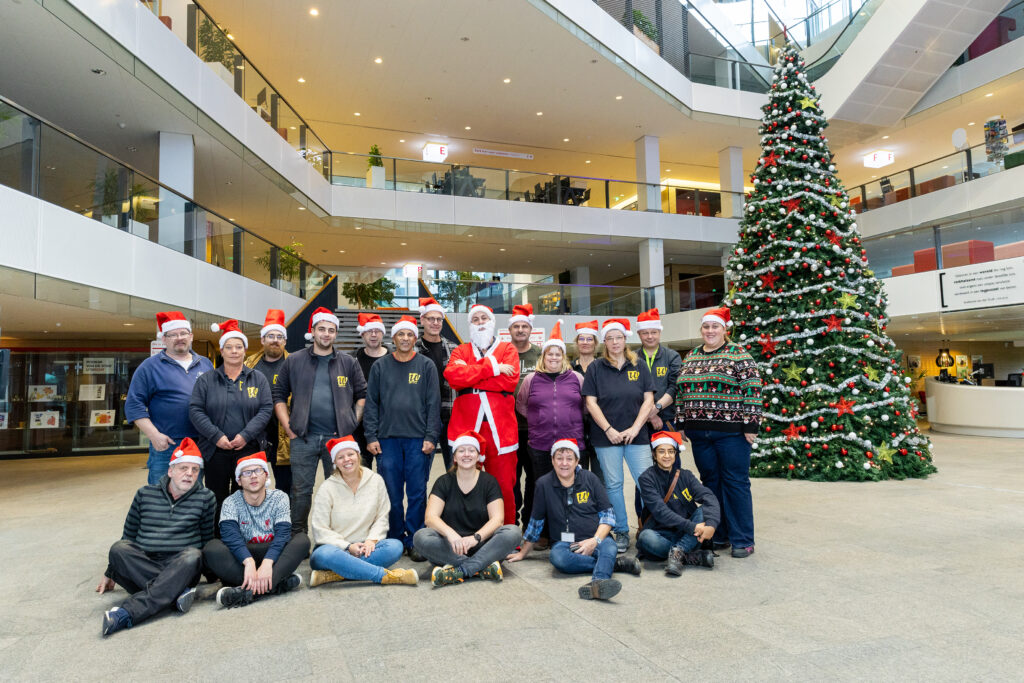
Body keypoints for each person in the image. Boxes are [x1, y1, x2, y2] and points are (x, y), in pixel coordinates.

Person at [96, 438, 215, 636]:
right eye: (184, 468)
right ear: (170, 471)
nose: (189, 474)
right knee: (119, 548)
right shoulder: (144, 494)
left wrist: (214, 577)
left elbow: (206, 539)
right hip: (143, 562)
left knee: (193, 556)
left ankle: (127, 613)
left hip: (181, 565)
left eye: (195, 470)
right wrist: (110, 572)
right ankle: (174, 593)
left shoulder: (206, 498)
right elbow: (129, 533)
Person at [676, 307, 762, 558]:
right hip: (699, 433)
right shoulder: (691, 356)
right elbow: (681, 392)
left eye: (715, 327)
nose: (710, 331)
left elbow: (753, 390)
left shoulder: (739, 355)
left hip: (732, 433)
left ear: (725, 329)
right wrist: (681, 422)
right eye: (706, 327)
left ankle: (743, 539)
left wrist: (751, 425)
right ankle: (720, 534)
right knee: (710, 485)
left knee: (735, 483)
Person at [507, 438, 640, 601]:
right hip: (565, 543)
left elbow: (608, 516)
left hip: (596, 537)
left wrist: (595, 541)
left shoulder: (590, 479)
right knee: (558, 558)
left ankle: (598, 583)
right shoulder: (544, 484)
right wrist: (523, 553)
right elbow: (536, 522)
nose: (564, 463)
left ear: (577, 460)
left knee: (609, 549)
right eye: (559, 458)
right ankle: (615, 564)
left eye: (569, 458)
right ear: (552, 460)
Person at [273, 306, 367, 534]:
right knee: (300, 491)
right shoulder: (294, 361)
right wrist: (288, 426)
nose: (326, 334)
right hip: (303, 438)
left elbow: (362, 395)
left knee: (339, 490)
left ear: (336, 334)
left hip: (338, 441)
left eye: (331, 330)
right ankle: (298, 536)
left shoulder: (348, 362)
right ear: (313, 332)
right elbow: (278, 395)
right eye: (322, 329)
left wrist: (351, 422)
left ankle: (335, 536)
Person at [364, 315, 441, 561]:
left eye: (410, 334)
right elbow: (372, 404)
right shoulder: (380, 366)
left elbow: (433, 403)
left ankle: (416, 539)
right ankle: (396, 537)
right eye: (401, 334)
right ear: (394, 338)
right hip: (387, 440)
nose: (405, 338)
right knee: (392, 492)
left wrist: (431, 436)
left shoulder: (426, 365)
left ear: (415, 339)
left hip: (419, 440)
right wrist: (370, 436)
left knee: (418, 492)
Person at [581, 318, 655, 554]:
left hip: (638, 435)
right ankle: (621, 530)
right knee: (613, 485)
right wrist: (608, 430)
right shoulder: (595, 368)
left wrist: (635, 428)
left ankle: (650, 528)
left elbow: (649, 400)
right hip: (606, 438)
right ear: (604, 342)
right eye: (610, 338)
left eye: (619, 337)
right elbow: (590, 403)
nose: (614, 342)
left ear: (625, 340)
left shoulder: (640, 365)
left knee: (647, 483)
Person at [413, 431, 522, 586]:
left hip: (483, 544)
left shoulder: (489, 482)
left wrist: (475, 538)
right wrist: (452, 535)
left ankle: (462, 570)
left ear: (478, 457)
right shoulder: (443, 482)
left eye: (471, 451)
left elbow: (498, 519)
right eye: (461, 451)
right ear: (455, 457)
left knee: (513, 531)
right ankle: (482, 567)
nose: (466, 455)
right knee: (421, 536)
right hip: (451, 547)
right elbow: (430, 518)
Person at [444, 304, 520, 527]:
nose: (479, 322)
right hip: (466, 425)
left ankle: (507, 534)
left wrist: (471, 373)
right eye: (475, 319)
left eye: (483, 318)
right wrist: (493, 367)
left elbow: (510, 380)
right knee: (464, 482)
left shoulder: (508, 349)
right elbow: (454, 377)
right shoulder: (460, 350)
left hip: (501, 428)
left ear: (492, 322)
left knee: (505, 484)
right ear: (470, 324)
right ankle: (466, 530)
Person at [202, 451, 309, 607]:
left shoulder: (280, 497)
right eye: (247, 473)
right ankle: (276, 584)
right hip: (243, 556)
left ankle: (245, 591)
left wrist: (267, 563)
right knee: (211, 548)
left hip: (272, 553)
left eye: (258, 471)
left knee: (302, 540)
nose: (253, 476)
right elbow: (230, 536)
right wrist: (249, 562)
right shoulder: (230, 502)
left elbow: (283, 533)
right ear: (239, 480)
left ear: (266, 476)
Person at [189, 320, 272, 518]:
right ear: (222, 350)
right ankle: (217, 539)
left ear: (244, 350)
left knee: (246, 496)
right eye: (229, 347)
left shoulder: (258, 378)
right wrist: (216, 436)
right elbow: (195, 410)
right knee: (216, 496)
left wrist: (245, 435)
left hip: (248, 449)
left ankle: (243, 537)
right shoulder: (206, 380)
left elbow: (266, 409)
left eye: (238, 347)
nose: (234, 351)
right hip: (215, 450)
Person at [308, 436, 418, 586]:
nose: (347, 460)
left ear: (358, 455)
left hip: (365, 547)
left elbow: (382, 516)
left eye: (350, 454)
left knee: (395, 547)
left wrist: (371, 540)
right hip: (335, 548)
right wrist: (347, 546)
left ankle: (336, 574)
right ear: (334, 462)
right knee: (322, 555)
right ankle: (384, 576)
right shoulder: (327, 488)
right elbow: (319, 528)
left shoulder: (375, 480)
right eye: (340, 457)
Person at [515, 320, 584, 547]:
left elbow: (585, 405)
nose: (553, 358)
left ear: (563, 356)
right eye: (549, 354)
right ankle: (541, 533)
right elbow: (522, 405)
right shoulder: (531, 380)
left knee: (570, 489)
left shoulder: (576, 378)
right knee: (540, 487)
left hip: (570, 443)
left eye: (557, 354)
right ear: (543, 356)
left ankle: (571, 531)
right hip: (540, 444)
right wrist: (539, 420)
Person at [125, 311, 213, 484]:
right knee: (161, 496)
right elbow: (134, 405)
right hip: (167, 445)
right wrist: (154, 435)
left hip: (201, 442)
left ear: (191, 336)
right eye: (173, 334)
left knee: (194, 497)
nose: (179, 338)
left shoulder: (205, 364)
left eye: (183, 333)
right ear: (163, 339)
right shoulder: (149, 367)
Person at [636, 431, 719, 575]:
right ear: (654, 455)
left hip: (688, 533)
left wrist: (711, 524)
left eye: (670, 451)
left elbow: (708, 497)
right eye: (661, 451)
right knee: (645, 538)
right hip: (663, 535)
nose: (667, 456)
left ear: (675, 454)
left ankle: (679, 552)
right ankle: (688, 555)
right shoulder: (646, 479)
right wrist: (693, 527)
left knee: (705, 510)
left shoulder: (685, 475)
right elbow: (661, 512)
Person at [244, 309, 292, 498]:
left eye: (279, 336)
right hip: (254, 434)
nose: (275, 340)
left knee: (286, 487)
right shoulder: (248, 365)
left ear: (285, 341)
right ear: (262, 340)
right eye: (270, 336)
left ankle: (284, 524)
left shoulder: (294, 364)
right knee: (252, 483)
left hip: (286, 436)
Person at [415, 297, 458, 473]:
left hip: (450, 416)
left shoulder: (454, 348)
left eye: (439, 319)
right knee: (421, 471)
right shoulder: (413, 349)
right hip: (423, 419)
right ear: (422, 320)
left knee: (453, 469)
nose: (435, 323)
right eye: (431, 319)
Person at [508, 304, 542, 525]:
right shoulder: (502, 352)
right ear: (510, 330)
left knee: (534, 479)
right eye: (516, 327)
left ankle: (531, 521)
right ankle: (512, 521)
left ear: (530, 329)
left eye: (524, 326)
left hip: (535, 429)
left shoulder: (540, 354)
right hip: (506, 427)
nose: (520, 330)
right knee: (511, 478)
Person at [352, 312, 389, 468]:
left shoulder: (393, 359)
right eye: (369, 331)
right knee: (360, 473)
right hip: (359, 426)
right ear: (362, 334)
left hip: (386, 425)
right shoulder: (353, 360)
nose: (373, 335)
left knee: (387, 475)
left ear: (382, 333)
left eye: (377, 331)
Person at [636, 309, 682, 432]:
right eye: (645, 333)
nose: (650, 336)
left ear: (659, 332)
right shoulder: (631, 358)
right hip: (637, 422)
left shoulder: (672, 356)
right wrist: (650, 416)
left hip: (667, 420)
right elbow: (630, 390)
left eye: (654, 332)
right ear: (639, 334)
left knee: (667, 452)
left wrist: (655, 409)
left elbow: (674, 387)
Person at [571, 320, 602, 479]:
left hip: (600, 430)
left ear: (595, 343)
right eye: (581, 339)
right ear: (576, 342)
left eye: (589, 339)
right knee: (578, 478)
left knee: (601, 479)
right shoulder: (567, 368)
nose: (585, 342)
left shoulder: (603, 368)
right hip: (575, 431)